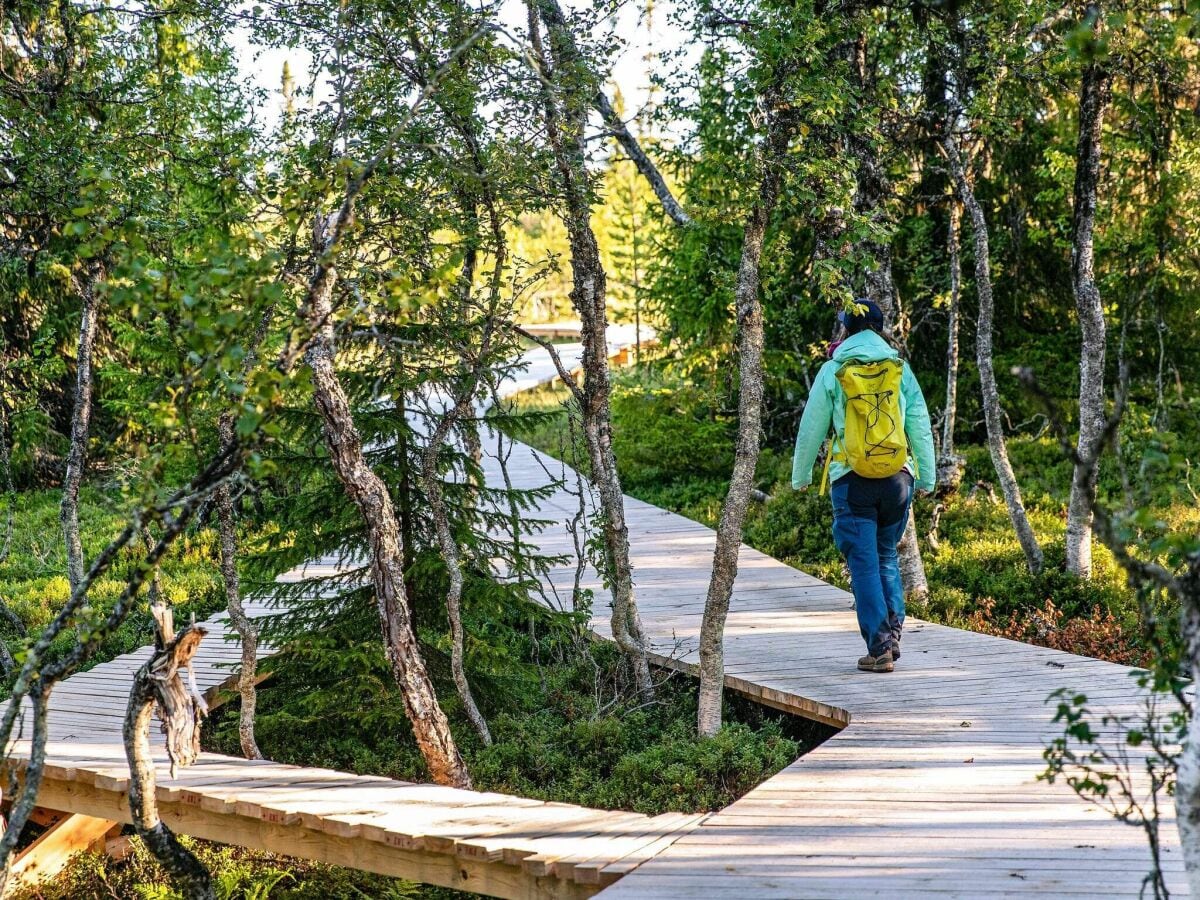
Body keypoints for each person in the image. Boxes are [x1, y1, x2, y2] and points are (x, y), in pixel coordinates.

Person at [791, 300, 936, 673]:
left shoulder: (834, 369)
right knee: (885, 554)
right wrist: (928, 477)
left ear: (847, 329)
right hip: (897, 478)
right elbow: (919, 422)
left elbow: (811, 427)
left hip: (851, 479)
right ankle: (894, 630)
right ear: (878, 327)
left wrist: (801, 476)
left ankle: (880, 646)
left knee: (864, 564)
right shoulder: (898, 367)